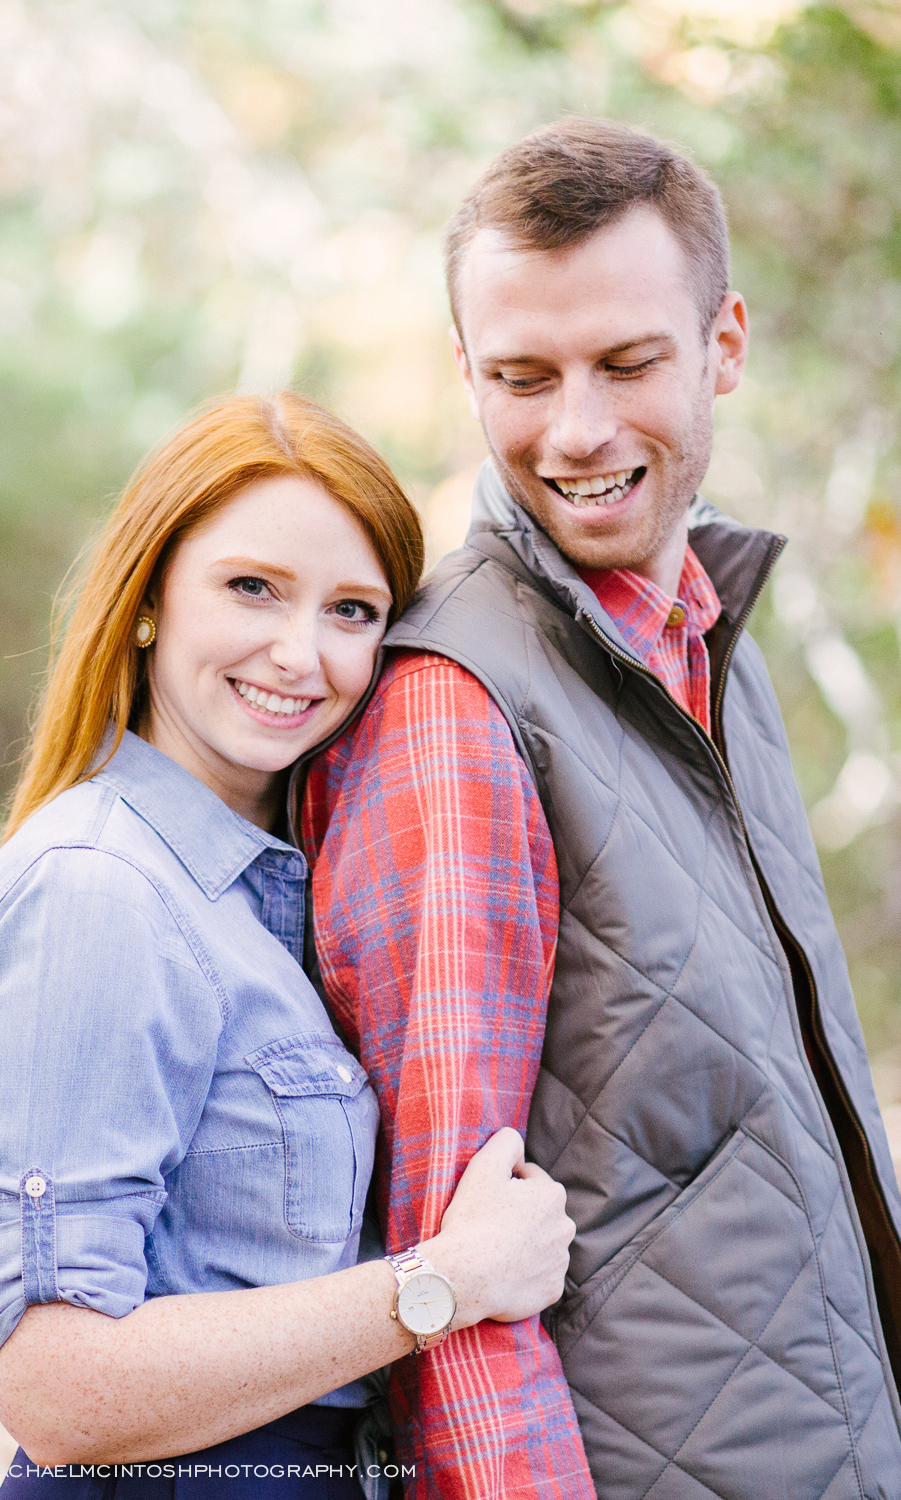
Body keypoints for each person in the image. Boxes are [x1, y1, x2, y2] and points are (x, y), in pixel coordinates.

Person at [303, 117, 901, 1498]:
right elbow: (444, 1283)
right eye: (522, 376)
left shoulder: (706, 639)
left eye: (628, 363)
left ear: (724, 347)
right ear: (466, 376)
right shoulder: (455, 704)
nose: (576, 431)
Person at [0, 392, 581, 1500]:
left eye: (351, 610)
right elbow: (55, 1389)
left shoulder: (271, 896)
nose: (300, 654)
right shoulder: (97, 890)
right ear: (146, 601)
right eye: (251, 589)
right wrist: (442, 1284)